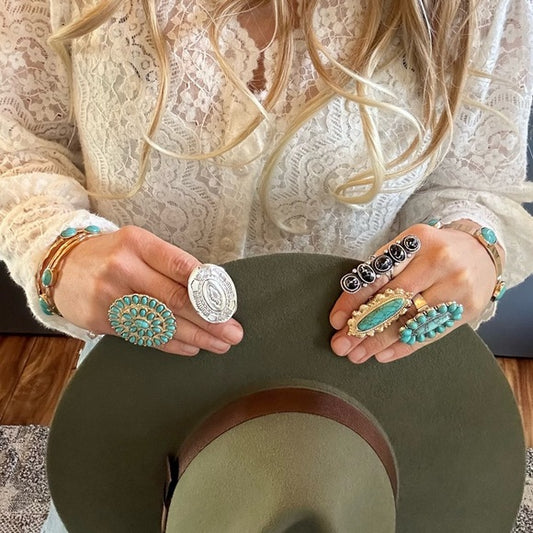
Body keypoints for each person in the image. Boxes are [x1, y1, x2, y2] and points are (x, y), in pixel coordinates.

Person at [1, 0, 532, 529]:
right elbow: (21, 147)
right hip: (140, 392)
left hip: (365, 407)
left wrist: (474, 248)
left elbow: (475, 185)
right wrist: (57, 251)